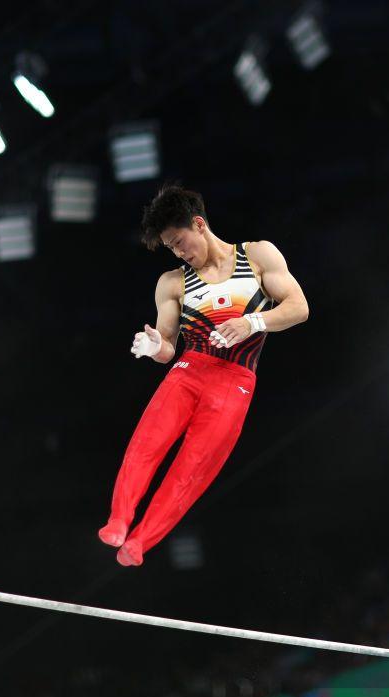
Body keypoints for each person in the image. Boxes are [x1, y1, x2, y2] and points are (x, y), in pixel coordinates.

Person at [98, 185, 309, 566]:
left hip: (235, 382)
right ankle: (119, 519)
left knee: (191, 469)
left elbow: (298, 308)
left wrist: (252, 321)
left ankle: (140, 541)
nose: (179, 253)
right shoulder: (172, 282)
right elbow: (166, 347)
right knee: (146, 444)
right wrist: (153, 346)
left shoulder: (257, 255)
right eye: (171, 248)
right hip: (187, 371)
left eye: (180, 242)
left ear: (199, 224)